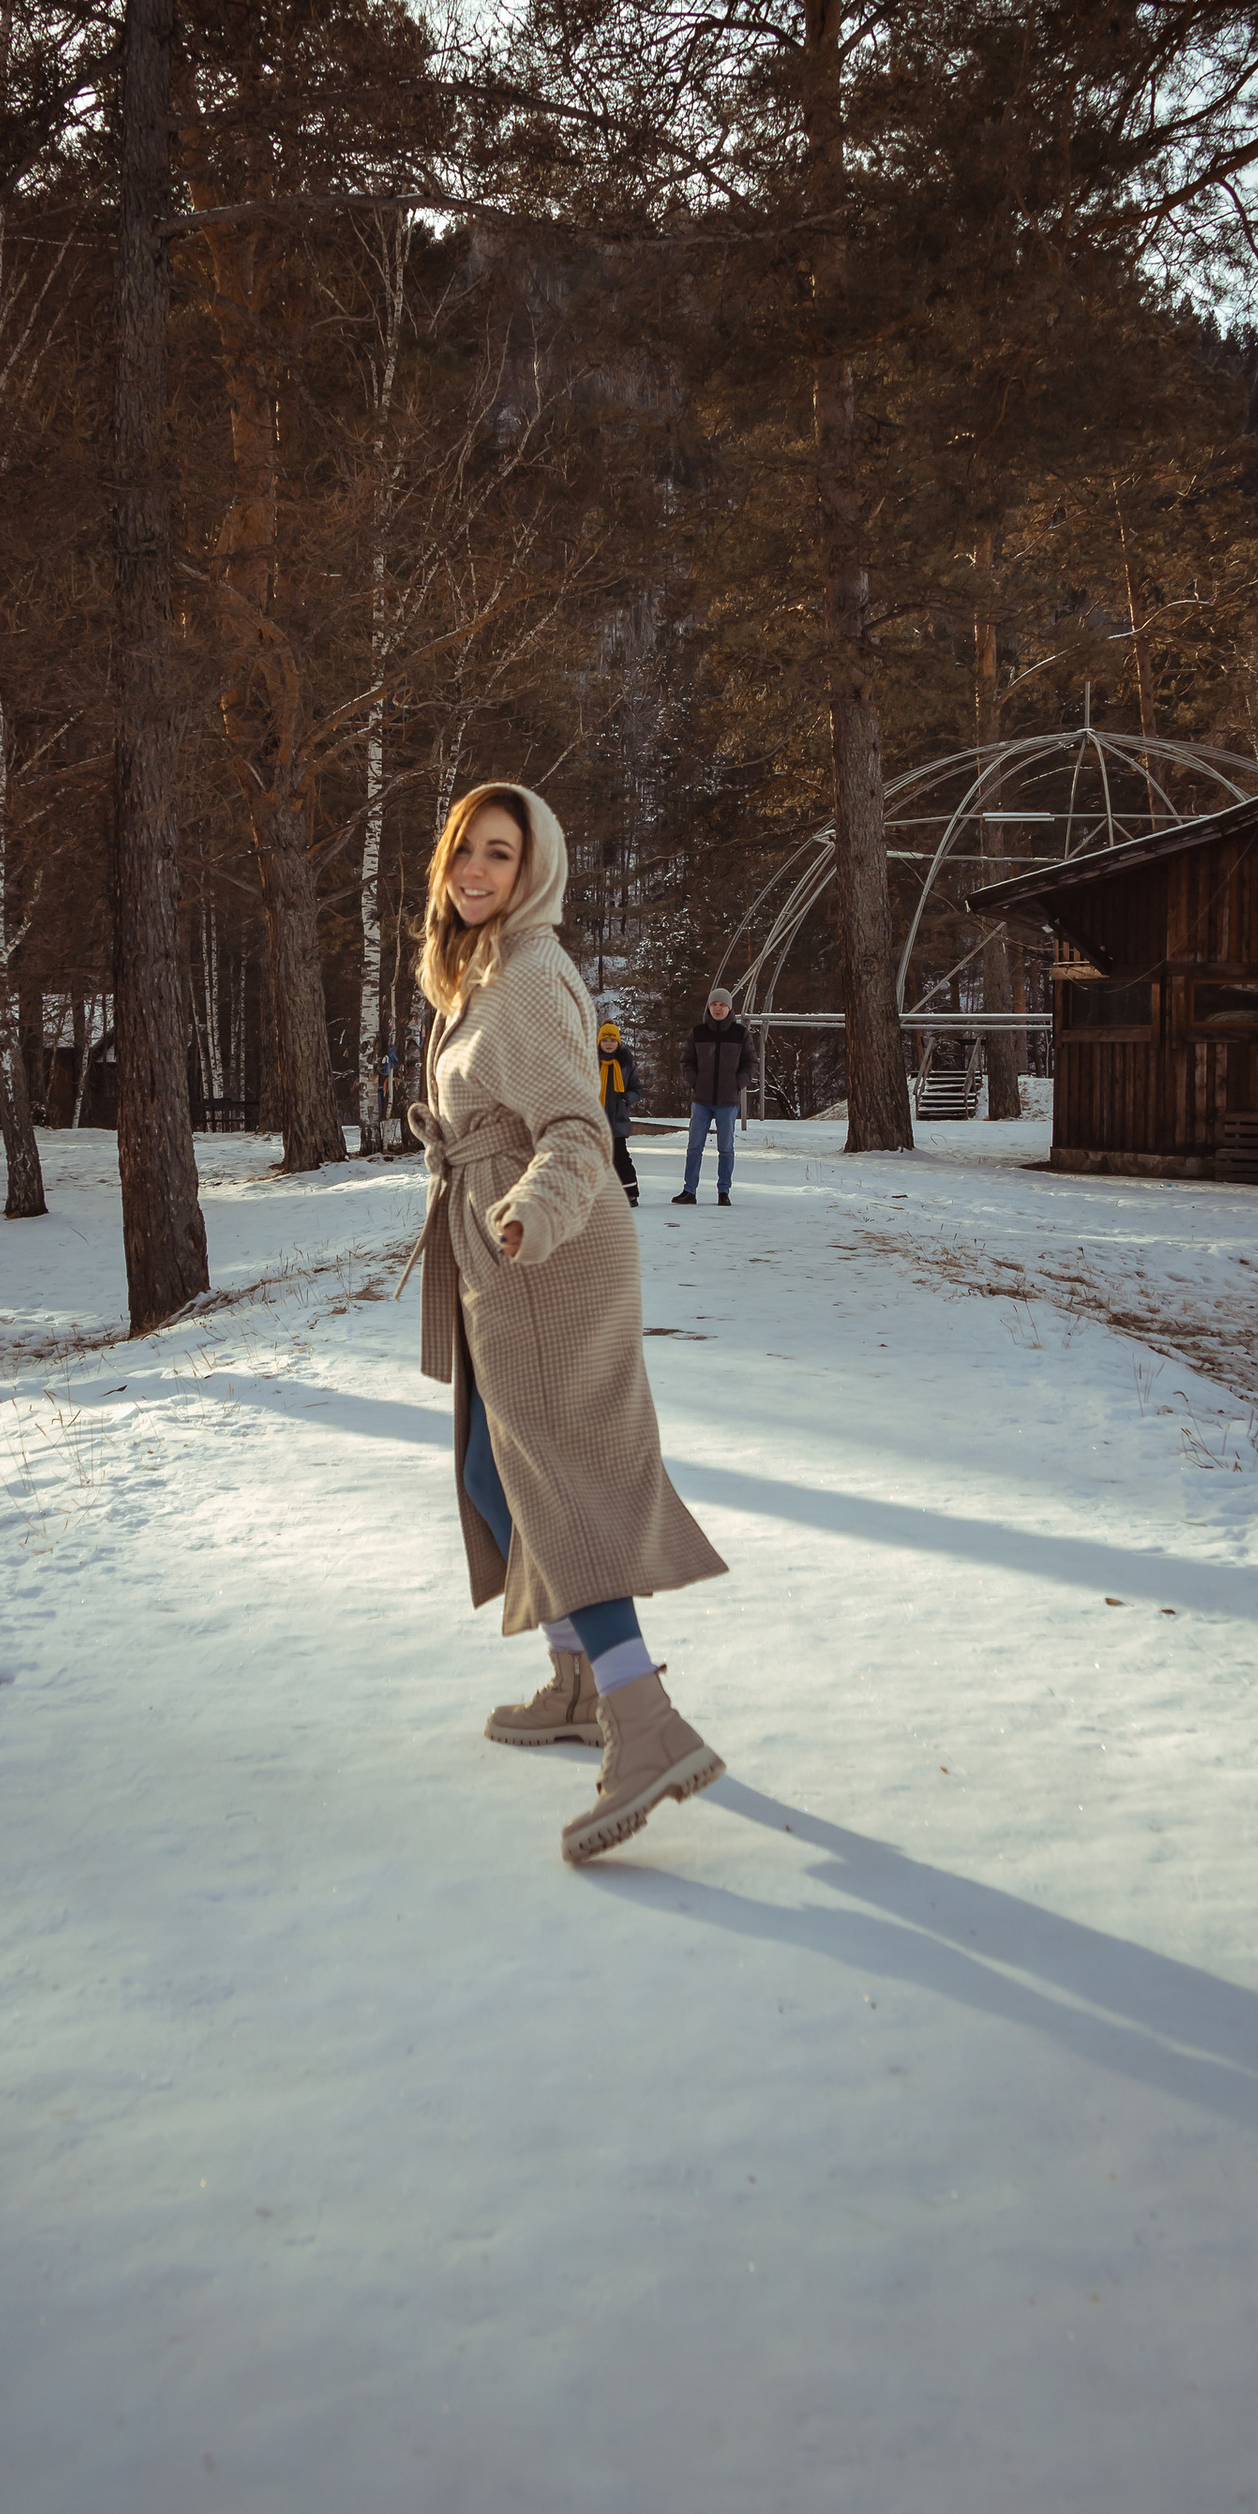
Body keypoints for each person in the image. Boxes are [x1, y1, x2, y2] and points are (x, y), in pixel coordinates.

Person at [406, 785, 729, 1863]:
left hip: (543, 1253)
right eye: (466, 851)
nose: (477, 871)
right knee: (496, 1475)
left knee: (553, 1482)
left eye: (500, 854)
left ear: (533, 866)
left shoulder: (530, 970)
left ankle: (645, 1726)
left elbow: (579, 1135)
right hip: (502, 1251)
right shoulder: (479, 970)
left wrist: (523, 1217)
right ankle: (582, 1683)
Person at [673, 984, 754, 1205]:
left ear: (729, 1008)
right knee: (694, 1146)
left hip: (728, 1101)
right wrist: (695, 1081)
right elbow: (686, 1061)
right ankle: (689, 1190)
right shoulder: (698, 1033)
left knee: (725, 1147)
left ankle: (724, 1191)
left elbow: (750, 1062)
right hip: (701, 1100)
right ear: (709, 1007)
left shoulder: (740, 1034)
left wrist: (739, 1082)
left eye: (722, 1005)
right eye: (714, 1004)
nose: (718, 1009)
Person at [596, 1015, 642, 1203]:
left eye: (612, 1040)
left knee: (621, 1158)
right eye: (605, 1040)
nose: (608, 1044)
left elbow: (637, 1089)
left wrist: (626, 1099)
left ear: (618, 1042)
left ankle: (630, 1193)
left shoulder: (625, 1064)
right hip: (595, 1120)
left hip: (617, 1120)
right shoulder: (591, 1062)